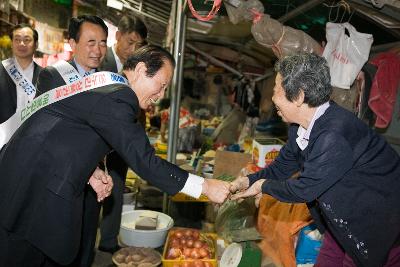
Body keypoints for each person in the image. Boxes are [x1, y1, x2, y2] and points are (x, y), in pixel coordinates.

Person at [0, 44, 231, 266]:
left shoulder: (105, 88)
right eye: (160, 85)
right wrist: (206, 187)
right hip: (30, 193)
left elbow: (65, 132)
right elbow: (145, 161)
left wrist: (92, 170)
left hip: (25, 182)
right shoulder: (120, 96)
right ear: (141, 70)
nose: (160, 96)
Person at [230, 53, 400, 267]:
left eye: (276, 90)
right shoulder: (299, 129)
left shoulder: (334, 134)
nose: (272, 98)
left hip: (378, 227)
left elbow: (305, 189)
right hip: (341, 220)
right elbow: (282, 167)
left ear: (299, 96)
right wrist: (249, 181)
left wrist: (263, 186)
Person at [35, 15, 114, 266]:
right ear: (72, 43)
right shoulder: (52, 76)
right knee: (58, 246)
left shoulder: (107, 81)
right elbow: (47, 131)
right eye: (91, 42)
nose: (98, 50)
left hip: (94, 183)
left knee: (86, 243)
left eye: (103, 43)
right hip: (60, 179)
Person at [95, 15, 148, 254]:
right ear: (118, 36)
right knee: (91, 196)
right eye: (130, 42)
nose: (133, 49)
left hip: (120, 144)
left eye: (139, 45)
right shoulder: (98, 60)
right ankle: (85, 249)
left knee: (116, 190)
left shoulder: (137, 70)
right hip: (95, 143)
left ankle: (107, 242)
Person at [0, 23, 42, 123]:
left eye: (27, 40)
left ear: (36, 44)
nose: (21, 44)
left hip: (32, 135)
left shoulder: (45, 75)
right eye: (17, 39)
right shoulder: (2, 69)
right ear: (11, 43)